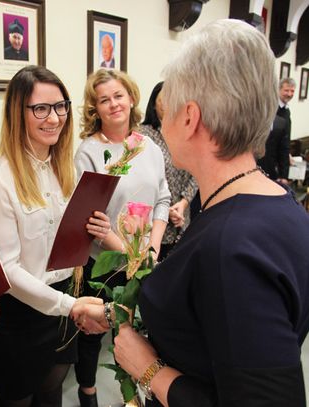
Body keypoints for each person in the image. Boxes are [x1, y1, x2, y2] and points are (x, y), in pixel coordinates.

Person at [80, 19, 309, 406]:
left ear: (189, 118)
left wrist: (150, 370)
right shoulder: (277, 206)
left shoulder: (230, 248)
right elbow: (210, 319)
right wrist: (119, 311)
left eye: (164, 107)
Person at [0, 65, 110, 407]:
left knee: (52, 392)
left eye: (60, 106)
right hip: (23, 315)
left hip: (65, 301)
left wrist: (97, 231)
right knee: (19, 399)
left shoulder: (66, 169)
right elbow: (7, 270)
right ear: (17, 113)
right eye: (41, 108)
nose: (54, 118)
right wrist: (69, 306)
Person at [73, 69, 170, 407]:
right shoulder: (89, 152)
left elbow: (162, 199)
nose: (113, 104)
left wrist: (152, 248)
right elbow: (92, 220)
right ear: (95, 109)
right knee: (95, 333)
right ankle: (88, 394)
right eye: (103, 100)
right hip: (105, 263)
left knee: (137, 334)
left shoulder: (149, 147)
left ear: (131, 98)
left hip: (145, 259)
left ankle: (137, 396)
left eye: (118, 95)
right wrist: (129, 254)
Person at [139, 82, 197, 260]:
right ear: (154, 103)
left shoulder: (188, 133)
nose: (168, 104)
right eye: (163, 99)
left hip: (181, 216)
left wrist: (184, 203)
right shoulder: (143, 135)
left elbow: (196, 171)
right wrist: (166, 208)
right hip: (155, 218)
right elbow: (142, 177)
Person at [257, 114, 290, 182]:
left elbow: (284, 151)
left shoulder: (281, 122)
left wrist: (283, 176)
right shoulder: (248, 119)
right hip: (252, 169)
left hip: (272, 170)